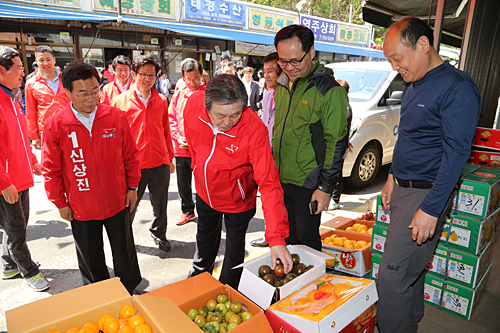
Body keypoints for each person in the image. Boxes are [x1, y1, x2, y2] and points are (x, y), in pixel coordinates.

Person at [377, 17, 480, 333]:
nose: (395, 66)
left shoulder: (456, 87)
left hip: (424, 195)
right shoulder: (414, 83)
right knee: (411, 270)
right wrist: (393, 176)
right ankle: (409, 323)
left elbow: (456, 155)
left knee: (391, 276)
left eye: (398, 57)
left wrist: (431, 209)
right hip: (405, 189)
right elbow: (409, 136)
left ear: (423, 45)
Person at [41, 61, 142, 294]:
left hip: (117, 200)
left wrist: (133, 187)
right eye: (82, 93)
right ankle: (98, 294)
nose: (90, 98)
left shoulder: (115, 117)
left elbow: (131, 156)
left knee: (124, 250)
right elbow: (51, 169)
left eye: (95, 91)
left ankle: (129, 291)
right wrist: (60, 203)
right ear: (67, 92)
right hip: (81, 205)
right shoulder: (56, 125)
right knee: (90, 254)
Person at [184, 74, 293, 289]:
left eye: (235, 114)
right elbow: (192, 142)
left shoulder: (254, 129)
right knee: (204, 242)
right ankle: (197, 283)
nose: (227, 122)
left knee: (234, 250)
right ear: (207, 106)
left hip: (238, 200)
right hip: (206, 193)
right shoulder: (193, 105)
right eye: (220, 115)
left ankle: (229, 289)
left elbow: (270, 184)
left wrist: (277, 239)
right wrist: (197, 167)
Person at [273, 25, 348, 251]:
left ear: (312, 52)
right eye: (282, 61)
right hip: (280, 179)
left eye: (295, 61)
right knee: (284, 239)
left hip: (308, 183)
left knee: (307, 244)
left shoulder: (330, 92)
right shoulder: (283, 85)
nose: (289, 68)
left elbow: (336, 143)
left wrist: (326, 188)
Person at [110, 55, 175, 252]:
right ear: (133, 74)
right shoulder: (119, 102)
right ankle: (124, 238)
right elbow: (113, 138)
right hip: (132, 166)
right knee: (129, 206)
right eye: (143, 75)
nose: (147, 79)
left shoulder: (162, 100)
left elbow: (166, 131)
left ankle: (159, 233)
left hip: (158, 161)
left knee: (160, 205)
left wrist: (169, 158)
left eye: (151, 75)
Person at [0, 46, 49, 292]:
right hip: (7, 182)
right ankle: (29, 270)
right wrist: (3, 182)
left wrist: (32, 160)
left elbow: (20, 137)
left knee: (17, 226)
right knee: (15, 230)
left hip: (21, 176)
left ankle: (9, 265)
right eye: (19, 68)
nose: (23, 72)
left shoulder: (12, 96)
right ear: (1, 70)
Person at [168, 59, 205, 226]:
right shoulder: (179, 93)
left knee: (203, 182)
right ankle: (188, 211)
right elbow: (171, 118)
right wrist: (177, 136)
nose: (192, 83)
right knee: (183, 183)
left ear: (202, 75)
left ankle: (206, 211)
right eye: (188, 79)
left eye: (196, 78)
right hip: (181, 148)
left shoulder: (208, 94)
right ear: (183, 77)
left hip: (202, 149)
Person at [251, 52, 282, 248]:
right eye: (265, 72)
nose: (267, 76)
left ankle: (276, 236)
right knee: (269, 196)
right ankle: (270, 234)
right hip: (266, 151)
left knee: (276, 197)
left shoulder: (284, 95)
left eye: (272, 71)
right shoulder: (268, 94)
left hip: (279, 153)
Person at [25, 45, 70, 150]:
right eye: (41, 60)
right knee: (52, 162)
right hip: (47, 130)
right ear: (37, 61)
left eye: (48, 59)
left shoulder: (67, 78)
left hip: (70, 126)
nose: (45, 63)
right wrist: (34, 136)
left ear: (54, 60)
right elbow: (30, 112)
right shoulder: (31, 84)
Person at [327, 79, 353, 211]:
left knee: (337, 173)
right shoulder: (339, 105)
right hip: (337, 145)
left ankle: (335, 200)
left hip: (339, 147)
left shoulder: (345, 108)